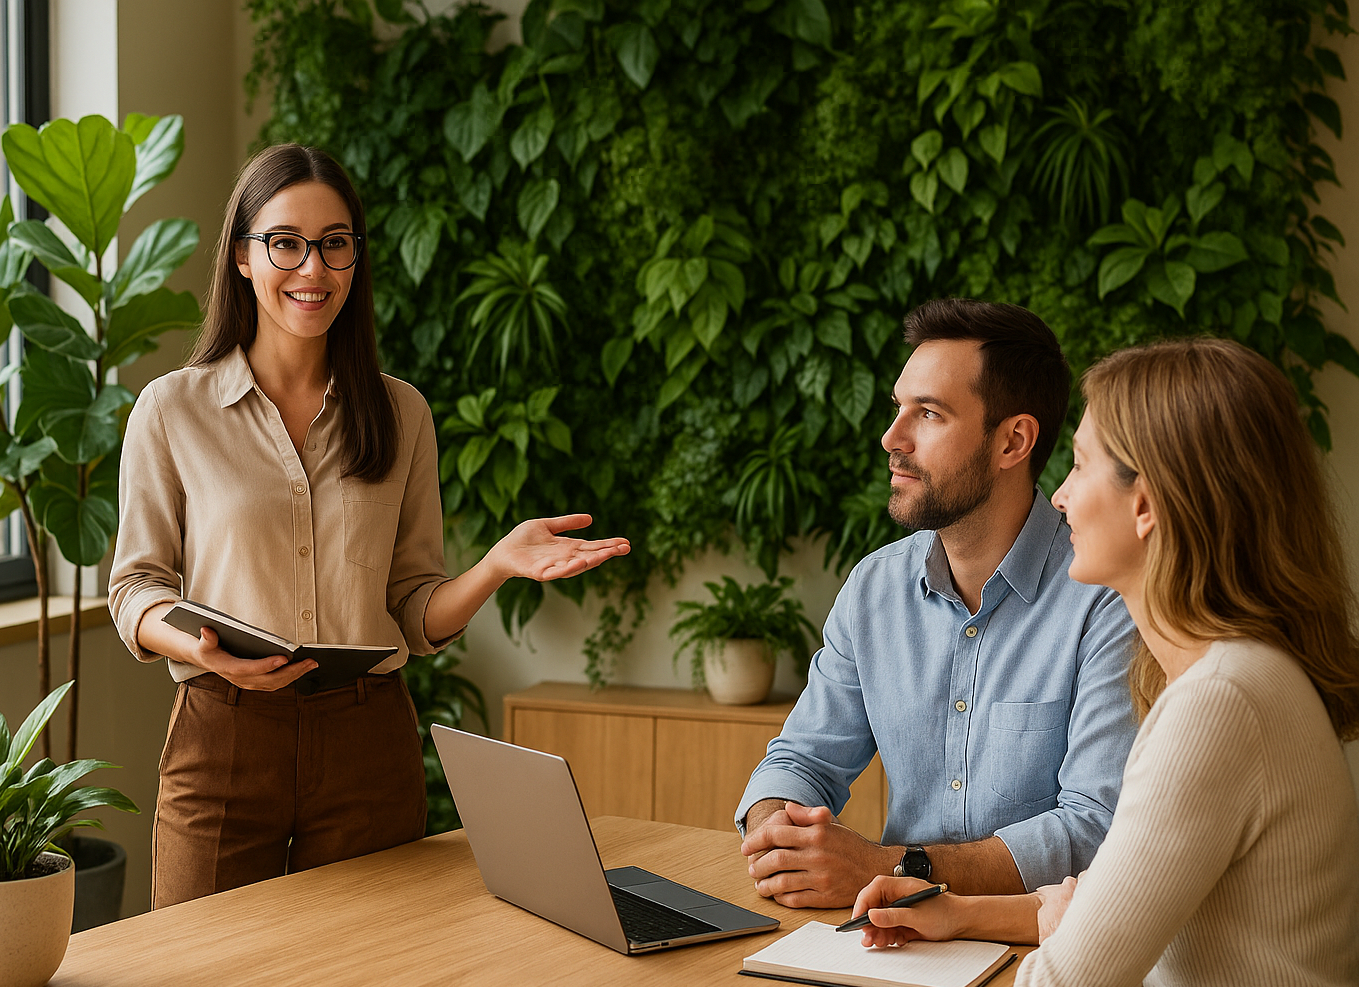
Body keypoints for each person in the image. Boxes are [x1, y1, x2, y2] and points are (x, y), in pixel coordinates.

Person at [108, 144, 629, 909]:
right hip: (223, 734)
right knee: (198, 986)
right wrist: (201, 648)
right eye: (285, 243)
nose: (312, 270)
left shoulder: (401, 413)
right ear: (243, 259)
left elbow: (414, 611)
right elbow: (135, 586)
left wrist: (493, 567)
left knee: (371, 981)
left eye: (335, 244)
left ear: (356, 259)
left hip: (367, 741)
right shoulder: (170, 409)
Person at [851, 338, 1359, 987]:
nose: (1058, 496)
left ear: (1144, 506)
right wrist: (961, 913)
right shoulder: (1242, 677)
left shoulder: (1219, 705)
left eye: (1081, 467)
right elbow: (1123, 898)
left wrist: (1064, 922)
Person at [736, 298, 1137, 907]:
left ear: (1013, 442)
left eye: (929, 414)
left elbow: (1094, 830)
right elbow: (803, 758)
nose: (891, 438)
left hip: (1043, 951)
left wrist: (891, 867)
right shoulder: (875, 588)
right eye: (900, 408)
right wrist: (778, 833)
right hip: (894, 938)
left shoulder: (1105, 599)